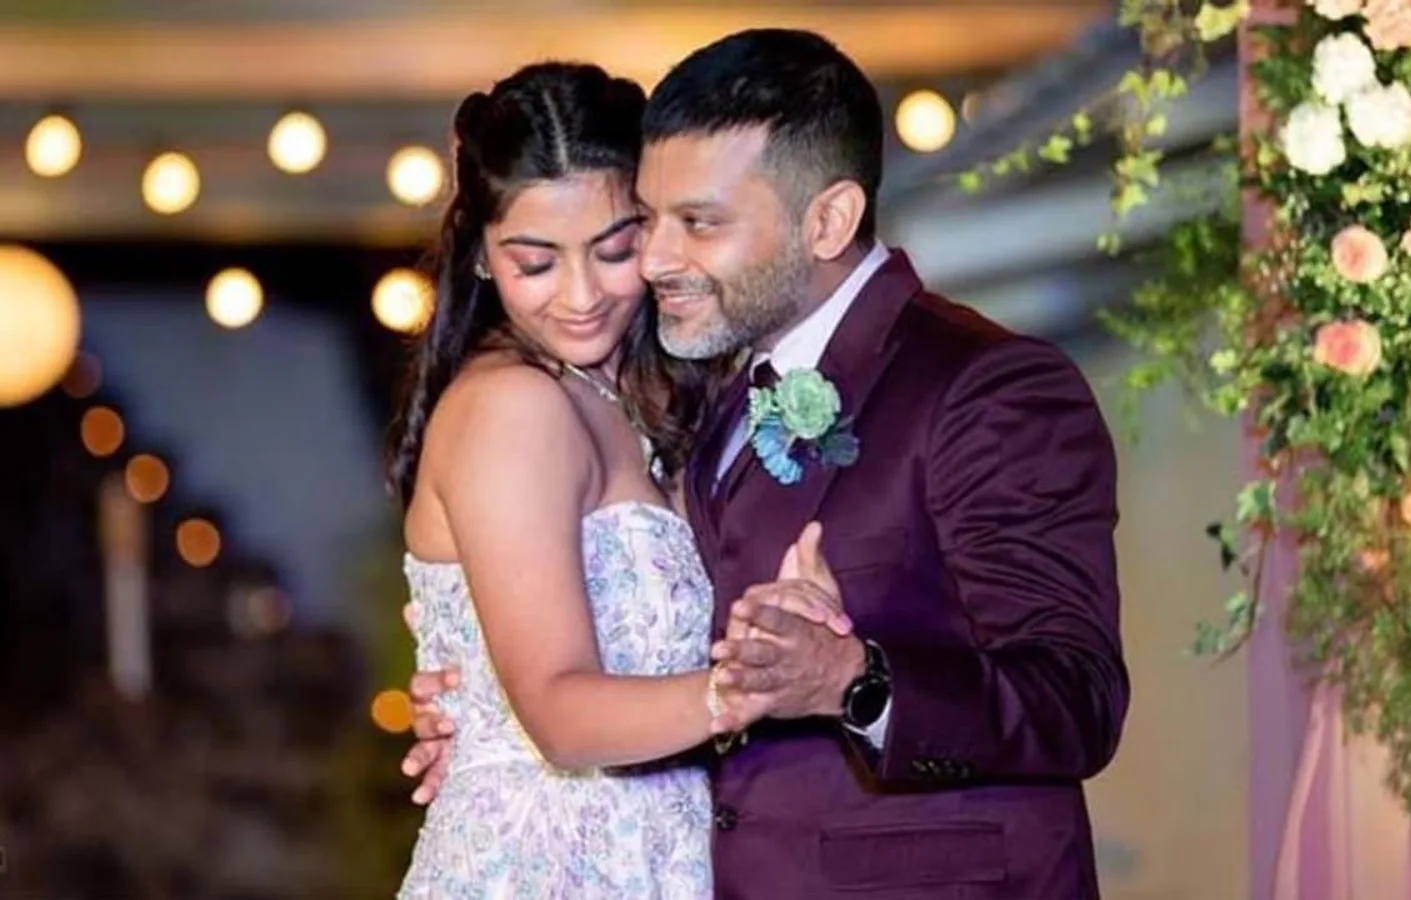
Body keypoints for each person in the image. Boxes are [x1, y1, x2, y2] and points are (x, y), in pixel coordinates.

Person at [402, 29, 1132, 899]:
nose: (656, 261)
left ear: (827, 221)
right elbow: (581, 676)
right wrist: (488, 709)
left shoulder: (983, 386)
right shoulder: (700, 388)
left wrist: (857, 680)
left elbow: (1075, 697)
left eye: (694, 224)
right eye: (652, 222)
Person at [384, 60, 849, 899]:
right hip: (545, 868)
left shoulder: (653, 389)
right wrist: (752, 688)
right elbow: (561, 718)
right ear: (481, 254)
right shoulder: (511, 408)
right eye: (535, 263)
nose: (581, 295)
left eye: (614, 250)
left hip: (669, 856)